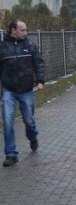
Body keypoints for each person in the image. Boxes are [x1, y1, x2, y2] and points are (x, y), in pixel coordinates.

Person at [0, 19, 45, 167]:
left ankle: (32, 137)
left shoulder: (30, 45)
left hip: (26, 90)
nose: (25, 33)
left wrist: (40, 81)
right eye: (22, 30)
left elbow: (38, 62)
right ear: (13, 30)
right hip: (9, 90)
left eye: (25, 30)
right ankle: (11, 155)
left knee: (29, 120)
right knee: (7, 121)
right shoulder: (2, 47)